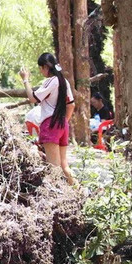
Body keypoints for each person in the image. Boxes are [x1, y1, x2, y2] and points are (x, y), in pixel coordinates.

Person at [20, 52, 76, 185]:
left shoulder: (51, 81)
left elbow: (33, 98)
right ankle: (79, 191)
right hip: (62, 123)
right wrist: (64, 122)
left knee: (54, 168)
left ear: (45, 67)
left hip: (51, 124)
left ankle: (60, 198)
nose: (41, 71)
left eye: (41, 68)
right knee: (64, 165)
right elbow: (71, 104)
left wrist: (25, 80)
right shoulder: (64, 81)